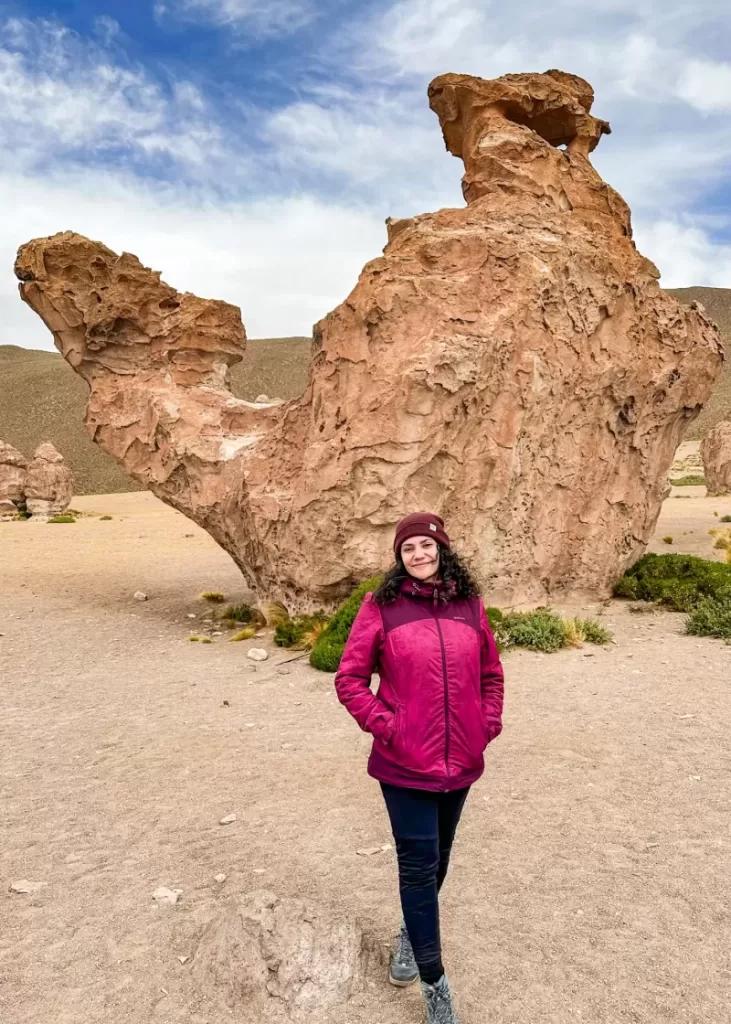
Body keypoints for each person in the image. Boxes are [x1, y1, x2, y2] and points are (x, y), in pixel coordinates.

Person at [335, 512, 505, 1024]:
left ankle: (411, 931)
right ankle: (433, 980)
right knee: (418, 863)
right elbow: (349, 679)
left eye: (426, 546)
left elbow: (491, 674)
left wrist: (486, 724)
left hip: (461, 763)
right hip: (404, 765)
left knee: (441, 859)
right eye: (408, 549)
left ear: (442, 550)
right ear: (399, 558)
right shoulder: (380, 607)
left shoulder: (470, 605)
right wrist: (390, 727)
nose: (419, 555)